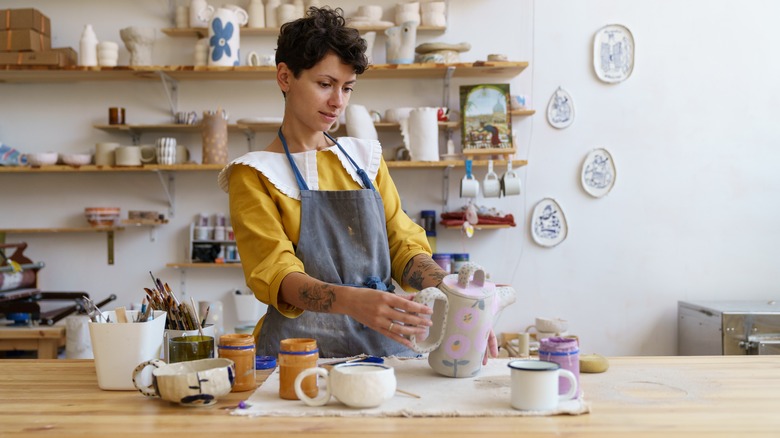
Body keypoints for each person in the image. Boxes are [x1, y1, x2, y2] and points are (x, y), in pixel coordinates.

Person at [218, 7, 498, 361]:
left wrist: (457, 295)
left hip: (385, 350)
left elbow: (402, 244)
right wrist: (353, 301)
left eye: (347, 88)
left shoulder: (364, 159)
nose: (338, 102)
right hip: (297, 358)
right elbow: (276, 274)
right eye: (325, 84)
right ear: (285, 77)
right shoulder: (255, 173)